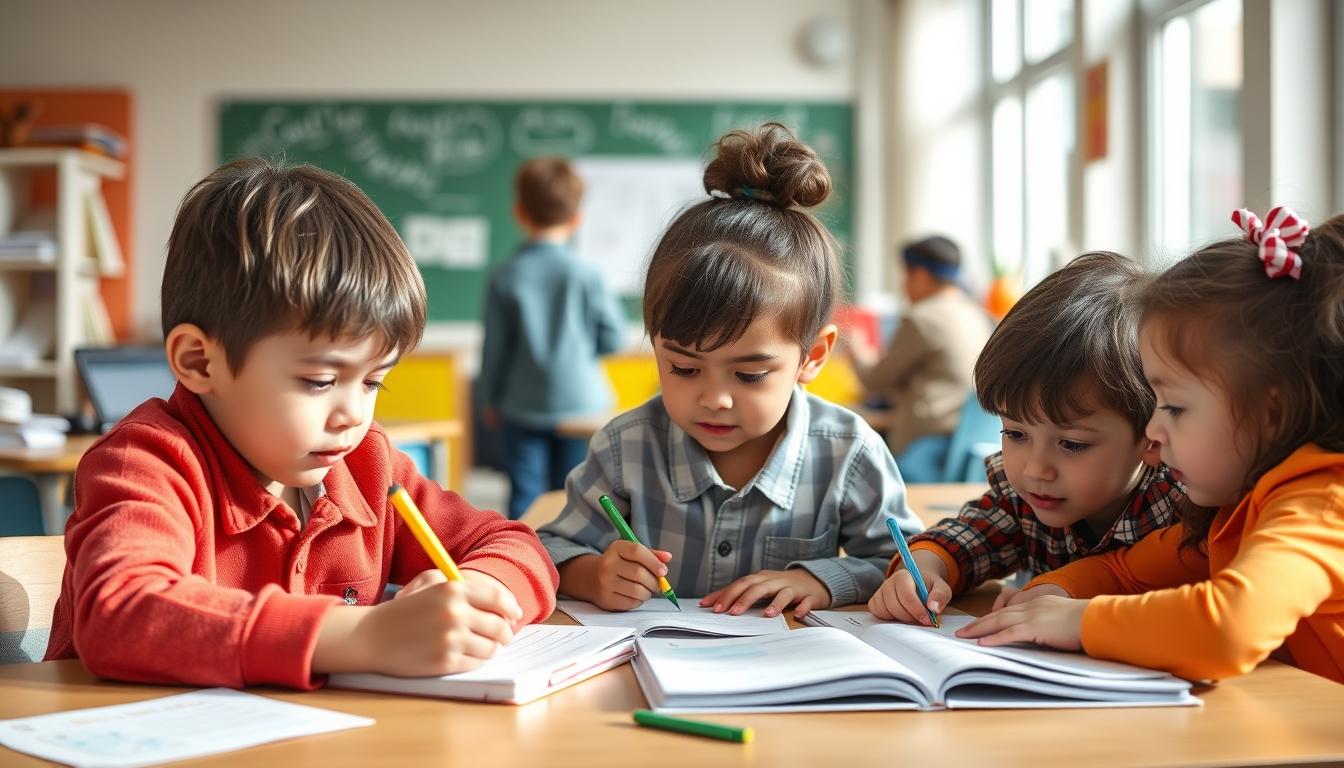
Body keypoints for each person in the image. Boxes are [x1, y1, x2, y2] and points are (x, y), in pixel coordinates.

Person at [45, 159, 559, 688]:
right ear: (200, 362)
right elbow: (124, 615)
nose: (354, 415)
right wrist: (366, 635)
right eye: (318, 382)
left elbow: (515, 544)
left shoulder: (367, 464)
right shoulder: (146, 462)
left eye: (373, 382)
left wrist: (473, 593)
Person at [537, 123, 920, 619]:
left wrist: (822, 580)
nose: (714, 398)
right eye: (683, 367)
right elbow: (551, 547)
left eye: (749, 375)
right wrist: (590, 575)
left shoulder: (848, 451)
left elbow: (905, 562)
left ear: (813, 357)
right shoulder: (624, 448)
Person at [960, 207, 1344, 684]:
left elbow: (1227, 628)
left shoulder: (1321, 504)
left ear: (1272, 412)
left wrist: (1079, 622)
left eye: (1175, 408)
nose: (1154, 432)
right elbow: (1125, 572)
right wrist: (1055, 590)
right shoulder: (1236, 509)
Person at [868, 252, 1181, 624]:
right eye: (1015, 433)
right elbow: (969, 535)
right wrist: (923, 569)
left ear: (1153, 435)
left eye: (1072, 444)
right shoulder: (1023, 501)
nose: (1035, 469)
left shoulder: (1184, 505)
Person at [479, 157, 626, 520]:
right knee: (575, 493)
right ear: (576, 218)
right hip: (581, 402)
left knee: (525, 494)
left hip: (522, 403)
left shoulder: (506, 275)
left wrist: (490, 398)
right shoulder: (587, 273)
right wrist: (576, 352)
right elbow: (614, 337)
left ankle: (519, 566)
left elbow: (495, 348)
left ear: (520, 213)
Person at [848, 235, 993, 481]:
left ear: (922, 275)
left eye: (906, 275)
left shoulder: (922, 318)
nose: (903, 285)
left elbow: (874, 380)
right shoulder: (977, 314)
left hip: (926, 446)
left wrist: (857, 350)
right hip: (964, 443)